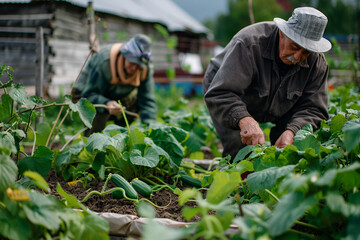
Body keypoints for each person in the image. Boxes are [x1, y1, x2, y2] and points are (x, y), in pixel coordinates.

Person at [203, 7, 332, 159]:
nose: (298, 57)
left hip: (282, 102)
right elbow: (222, 92)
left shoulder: (317, 64)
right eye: (295, 47)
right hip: (226, 85)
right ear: (282, 33)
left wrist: (292, 131)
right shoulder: (249, 44)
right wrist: (244, 119)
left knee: (286, 150)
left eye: (305, 52)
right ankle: (239, 179)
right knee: (240, 149)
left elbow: (314, 108)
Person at [71, 34, 157, 136]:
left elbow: (147, 101)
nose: (134, 68)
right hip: (86, 94)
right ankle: (91, 142)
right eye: (132, 62)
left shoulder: (144, 70)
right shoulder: (105, 61)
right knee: (101, 111)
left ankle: (118, 137)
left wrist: (150, 130)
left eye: (138, 65)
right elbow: (89, 94)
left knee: (134, 103)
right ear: (125, 55)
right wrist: (106, 103)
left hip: (114, 95)